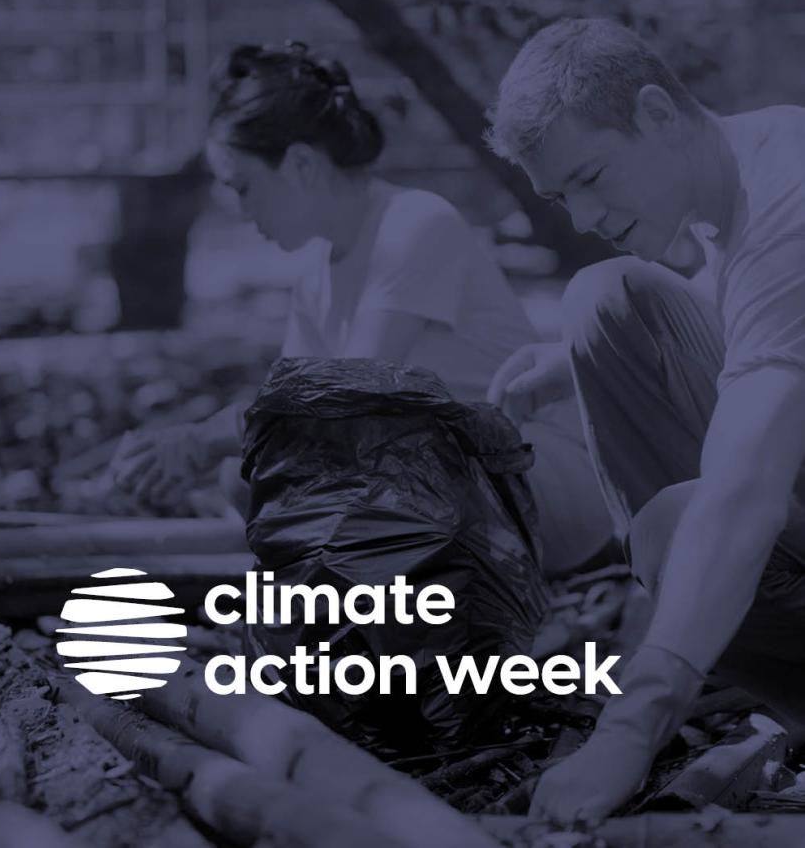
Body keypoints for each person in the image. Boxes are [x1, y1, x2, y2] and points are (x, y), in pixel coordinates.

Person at [111, 42, 612, 573]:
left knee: (356, 450)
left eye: (244, 186)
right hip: (445, 490)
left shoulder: (415, 224)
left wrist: (198, 439)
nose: (237, 207)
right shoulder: (314, 273)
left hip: (535, 480)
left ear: (301, 163)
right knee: (246, 475)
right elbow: (286, 425)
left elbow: (346, 401)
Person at [486, 17, 805, 825]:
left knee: (677, 525)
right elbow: (755, 325)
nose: (583, 216)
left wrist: (631, 727)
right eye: (562, 197)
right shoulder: (746, 166)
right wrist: (571, 360)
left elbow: (746, 493)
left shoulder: (791, 205)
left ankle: (698, 654)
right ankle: (722, 643)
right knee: (607, 299)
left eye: (593, 176)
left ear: (659, 114)